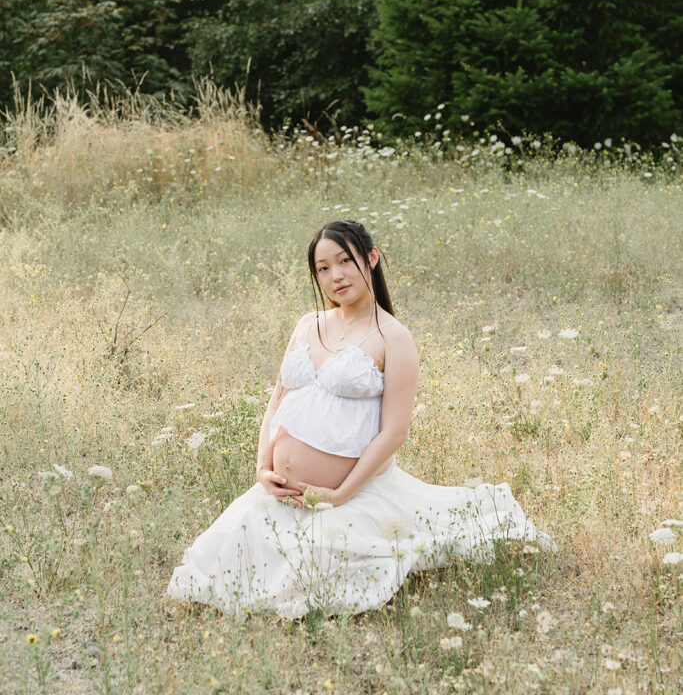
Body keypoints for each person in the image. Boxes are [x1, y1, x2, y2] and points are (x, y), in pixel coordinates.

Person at [167, 220, 553, 618]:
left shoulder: (393, 337)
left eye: (344, 261)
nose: (335, 276)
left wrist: (340, 495)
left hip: (348, 493)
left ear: (370, 258)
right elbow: (275, 405)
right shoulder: (308, 324)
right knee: (225, 554)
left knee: (316, 570)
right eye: (323, 268)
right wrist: (263, 469)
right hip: (280, 492)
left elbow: (393, 432)